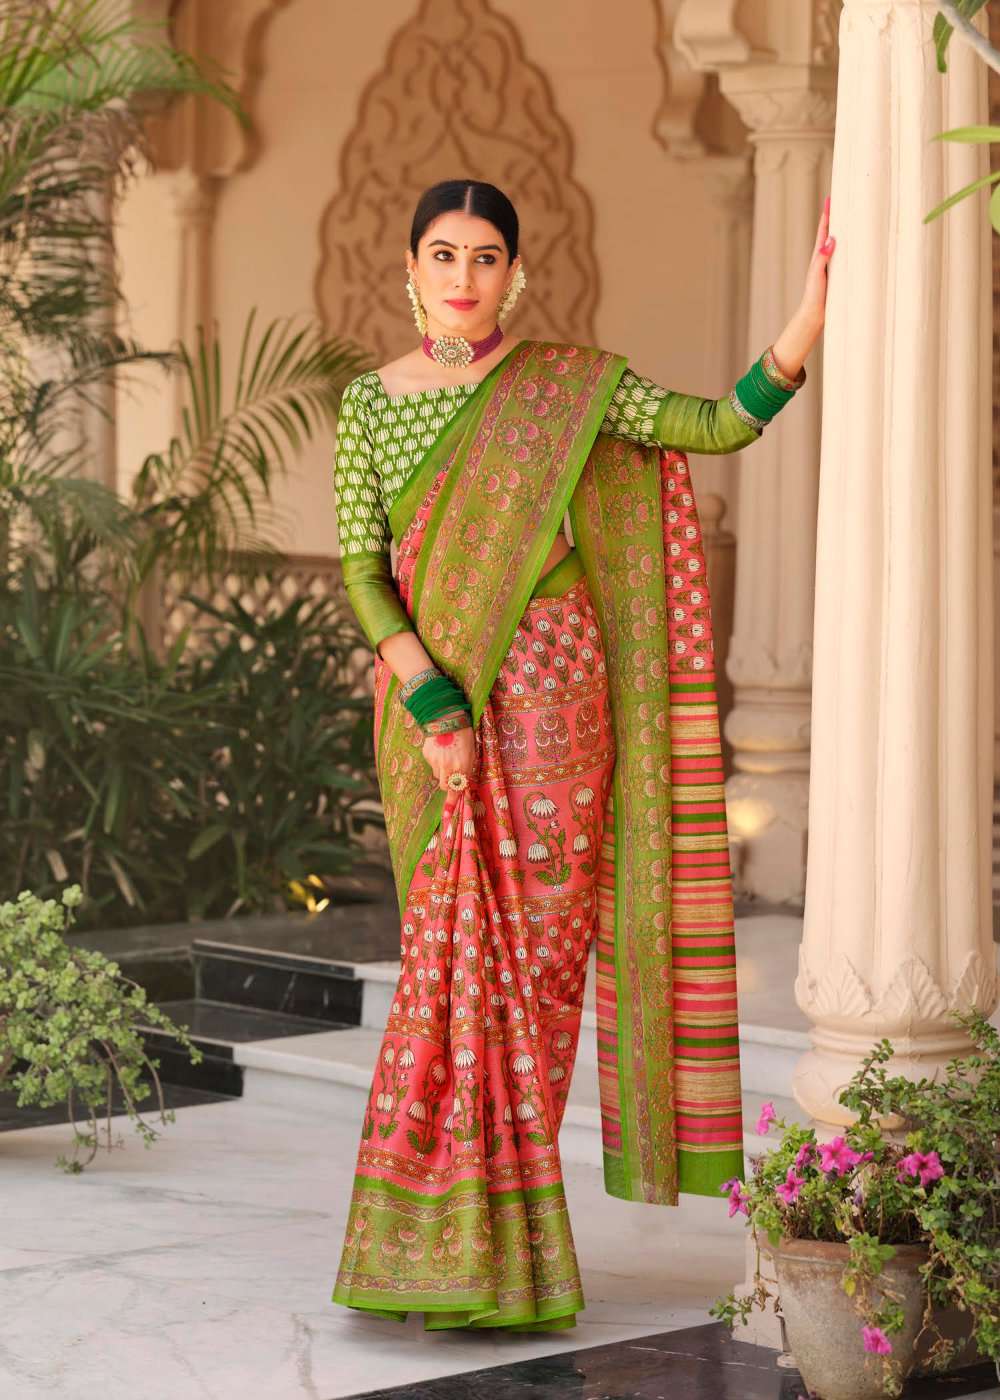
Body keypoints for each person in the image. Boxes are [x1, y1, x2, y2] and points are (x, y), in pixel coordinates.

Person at [331, 178, 833, 1332]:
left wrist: (808, 317)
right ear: (409, 268)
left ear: (516, 274)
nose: (463, 277)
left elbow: (716, 423)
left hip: (560, 707)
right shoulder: (371, 403)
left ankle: (505, 1254)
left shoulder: (571, 388)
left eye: (485, 256)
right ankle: (433, 1246)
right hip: (433, 719)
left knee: (542, 981)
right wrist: (432, 699)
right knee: (446, 971)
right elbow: (361, 566)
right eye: (443, 254)